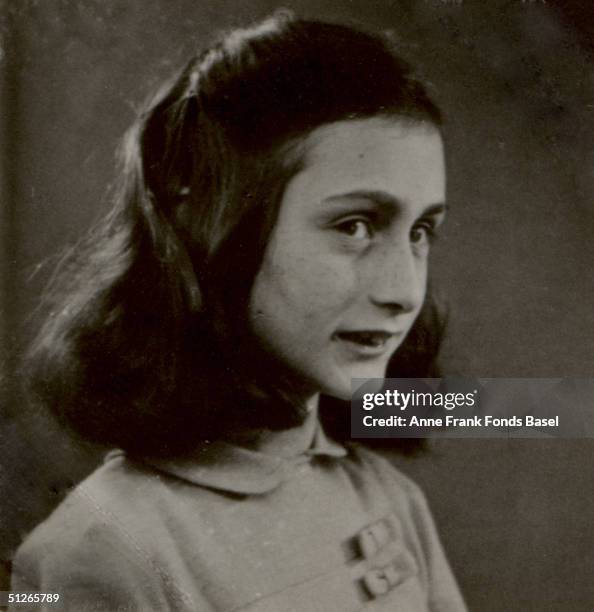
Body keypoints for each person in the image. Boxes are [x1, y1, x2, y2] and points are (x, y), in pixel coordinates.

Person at [11, 11, 466, 611]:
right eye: (355, 225)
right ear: (216, 230)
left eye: (421, 231)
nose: (405, 291)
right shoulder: (97, 550)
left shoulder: (387, 496)